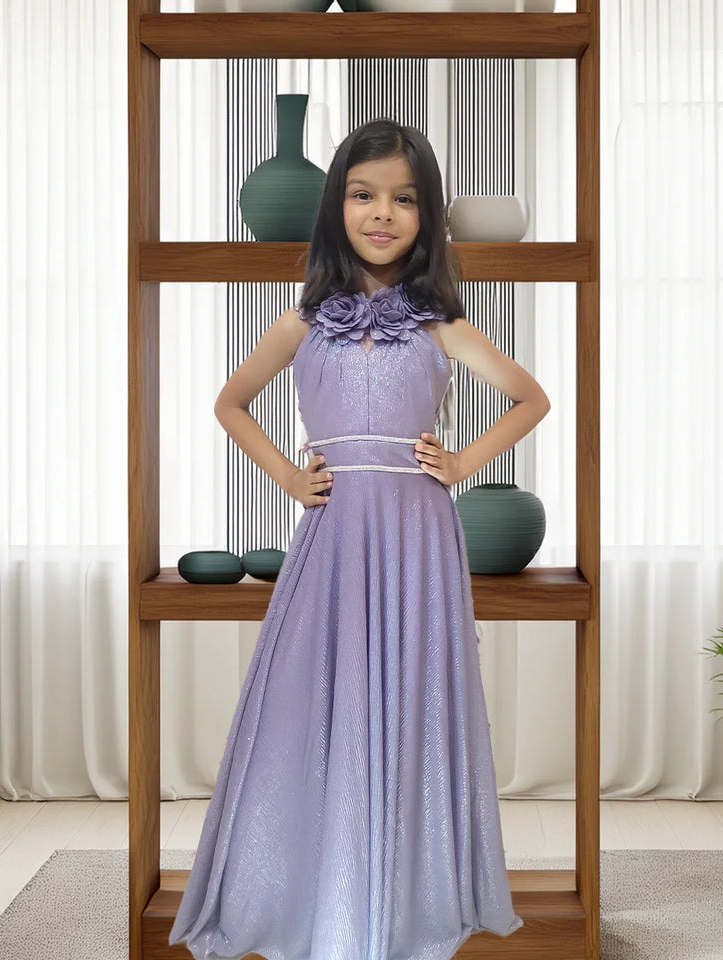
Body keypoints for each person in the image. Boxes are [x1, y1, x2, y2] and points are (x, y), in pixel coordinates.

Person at [169, 117, 550, 960]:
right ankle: (317, 888)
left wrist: (458, 464)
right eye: (364, 194)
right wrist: (288, 479)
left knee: (410, 700)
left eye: (404, 199)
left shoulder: (438, 320)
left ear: (428, 215)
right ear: (337, 204)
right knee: (317, 702)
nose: (383, 213)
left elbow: (530, 398)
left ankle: (400, 893)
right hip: (335, 533)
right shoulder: (303, 317)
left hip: (417, 532)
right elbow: (231, 402)